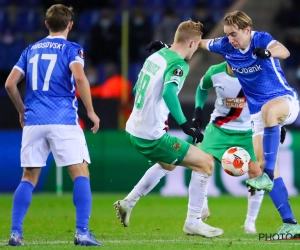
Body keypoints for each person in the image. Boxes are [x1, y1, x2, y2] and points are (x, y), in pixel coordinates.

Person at [146, 10, 300, 238]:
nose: (230, 39)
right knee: (266, 166)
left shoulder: (260, 39)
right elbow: (198, 42)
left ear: (247, 30)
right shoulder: (227, 45)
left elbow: (284, 51)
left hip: (284, 100)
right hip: (258, 116)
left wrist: (267, 53)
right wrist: (168, 46)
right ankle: (291, 224)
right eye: (227, 34)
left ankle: (265, 173)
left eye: (234, 34)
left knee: (269, 118)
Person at [114, 61, 286, 234]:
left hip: (250, 130)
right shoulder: (215, 72)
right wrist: (198, 110)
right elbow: (202, 88)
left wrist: (279, 122)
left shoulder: (258, 72)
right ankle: (200, 209)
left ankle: (250, 223)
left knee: (257, 172)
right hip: (219, 128)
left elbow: (273, 96)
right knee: (199, 162)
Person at [114, 20, 223, 238]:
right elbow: (168, 93)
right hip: (151, 136)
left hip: (133, 129)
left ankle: (128, 203)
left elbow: (137, 88)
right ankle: (194, 220)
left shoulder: (155, 56)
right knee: (206, 164)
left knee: (168, 165)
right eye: (196, 45)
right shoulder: (179, 64)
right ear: (192, 43)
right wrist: (185, 125)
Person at [5, 4, 102, 246]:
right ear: (70, 25)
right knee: (80, 173)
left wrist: (21, 110)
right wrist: (90, 111)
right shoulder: (72, 49)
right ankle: (82, 232)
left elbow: (9, 84)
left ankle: (16, 233)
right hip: (63, 120)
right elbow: (79, 76)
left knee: (28, 177)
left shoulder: (30, 49)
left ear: (47, 24)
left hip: (34, 120)